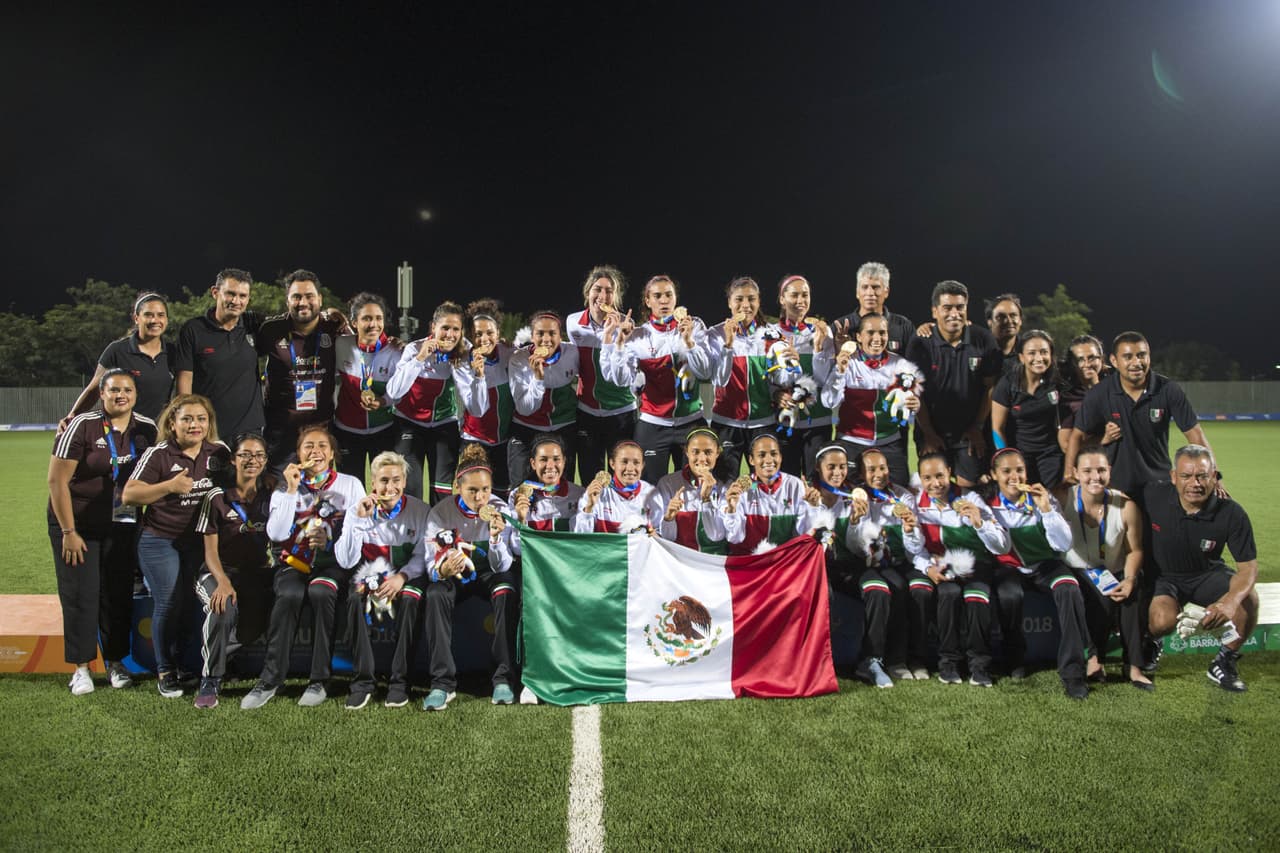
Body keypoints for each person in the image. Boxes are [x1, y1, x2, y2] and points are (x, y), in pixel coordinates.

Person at [240, 425, 366, 709]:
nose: (315, 451)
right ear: (298, 454)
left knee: (322, 594)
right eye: (308, 446)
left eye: (322, 446)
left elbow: (361, 528)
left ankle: (319, 679)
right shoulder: (286, 485)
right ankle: (271, 679)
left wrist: (331, 540)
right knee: (289, 596)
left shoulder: (350, 484)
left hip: (333, 563)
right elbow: (276, 533)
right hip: (294, 563)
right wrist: (291, 489)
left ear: (332, 454)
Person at [48, 369, 156, 695]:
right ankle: (80, 668)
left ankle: (115, 662)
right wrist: (68, 530)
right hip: (76, 524)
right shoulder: (83, 425)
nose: (120, 395)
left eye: (127, 390)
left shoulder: (147, 429)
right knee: (81, 594)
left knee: (117, 593)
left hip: (121, 525)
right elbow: (56, 482)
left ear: (135, 395)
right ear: (102, 394)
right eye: (113, 390)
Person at [123, 394, 228, 697]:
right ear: (172, 422)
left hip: (199, 541)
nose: (195, 425)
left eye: (201, 419)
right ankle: (165, 669)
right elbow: (130, 495)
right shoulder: (159, 454)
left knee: (192, 602)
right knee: (169, 600)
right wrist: (169, 486)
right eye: (187, 419)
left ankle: (186, 663)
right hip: (160, 539)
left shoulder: (219, 451)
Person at [1146, 445, 1259, 692]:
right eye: (1186, 476)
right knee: (1161, 620)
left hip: (1206, 574)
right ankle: (1152, 642)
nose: (1194, 483)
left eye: (1202, 476)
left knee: (1247, 599)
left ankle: (1224, 661)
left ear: (1214, 476)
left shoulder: (1232, 512)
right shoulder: (1153, 495)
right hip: (1165, 577)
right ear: (1174, 476)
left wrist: (1229, 602)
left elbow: (1248, 568)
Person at [985, 448, 1092, 699]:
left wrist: (1046, 509)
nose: (1015, 477)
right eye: (1006, 471)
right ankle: (1014, 659)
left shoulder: (1042, 496)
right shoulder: (989, 505)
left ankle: (1074, 673)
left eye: (1019, 470)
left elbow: (1063, 545)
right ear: (993, 475)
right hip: (1009, 568)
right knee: (1009, 595)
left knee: (1069, 588)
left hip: (1046, 565)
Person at [334, 451, 433, 710]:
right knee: (355, 598)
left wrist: (401, 577)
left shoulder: (420, 510)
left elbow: (424, 556)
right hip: (370, 576)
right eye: (384, 481)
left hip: (407, 575)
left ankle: (400, 682)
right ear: (373, 484)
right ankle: (362, 682)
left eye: (396, 480)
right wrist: (357, 519)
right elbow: (345, 560)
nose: (391, 487)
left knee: (412, 600)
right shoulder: (359, 509)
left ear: (404, 481)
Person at [420, 444, 516, 710]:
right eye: (472, 490)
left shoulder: (501, 510)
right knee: (436, 592)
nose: (480, 497)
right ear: (457, 487)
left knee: (506, 589)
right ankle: (442, 682)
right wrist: (442, 570)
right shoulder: (441, 513)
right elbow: (430, 564)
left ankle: (503, 678)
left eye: (485, 489)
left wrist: (496, 538)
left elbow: (502, 566)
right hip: (456, 574)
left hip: (488, 573)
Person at [1065, 332, 1215, 496]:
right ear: (1114, 361)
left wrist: (1215, 477)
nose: (1136, 362)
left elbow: (1196, 435)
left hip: (1159, 485)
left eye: (1141, 355)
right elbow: (1076, 436)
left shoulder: (1168, 389)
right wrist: (1069, 470)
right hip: (1115, 488)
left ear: (1149, 357)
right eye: (1128, 357)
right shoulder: (1099, 393)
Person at [191, 432, 276, 708]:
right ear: (233, 459)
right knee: (223, 605)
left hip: (254, 573)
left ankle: (220, 655)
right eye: (245, 455)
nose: (252, 460)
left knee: (259, 622)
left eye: (259, 455)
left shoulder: (271, 495)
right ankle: (211, 678)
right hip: (216, 572)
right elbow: (210, 552)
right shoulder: (217, 497)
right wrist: (223, 581)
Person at [600, 274, 712, 484]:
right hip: (652, 424)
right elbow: (622, 380)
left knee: (695, 489)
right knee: (649, 491)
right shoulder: (638, 335)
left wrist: (689, 342)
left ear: (676, 298)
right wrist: (620, 343)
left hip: (691, 422)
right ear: (647, 300)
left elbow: (705, 373)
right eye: (657, 296)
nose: (664, 301)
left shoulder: (694, 326)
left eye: (669, 295)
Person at [912, 452, 1010, 687]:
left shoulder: (972, 499)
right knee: (948, 594)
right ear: (921, 480)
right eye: (927, 478)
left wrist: (980, 522)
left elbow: (1001, 545)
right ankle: (948, 663)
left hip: (977, 565)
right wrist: (927, 568)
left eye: (940, 476)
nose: (935, 484)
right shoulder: (917, 505)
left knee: (976, 598)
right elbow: (914, 549)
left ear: (950, 474)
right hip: (944, 566)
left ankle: (980, 665)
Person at [1060, 445, 1151, 690]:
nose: (1095, 477)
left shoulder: (1125, 505)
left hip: (1114, 570)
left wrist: (1130, 579)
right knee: (1084, 591)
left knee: (1132, 592)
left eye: (1101, 470)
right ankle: (1093, 659)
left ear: (1109, 471)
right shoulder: (1063, 498)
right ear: (1076, 473)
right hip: (1077, 570)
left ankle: (1133, 666)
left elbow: (1135, 550)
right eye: (1087, 471)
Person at [907, 281, 1002, 488]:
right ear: (935, 311)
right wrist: (929, 434)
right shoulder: (920, 342)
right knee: (934, 489)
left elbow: (989, 387)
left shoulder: (983, 339)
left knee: (969, 491)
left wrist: (977, 426)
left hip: (968, 433)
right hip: (931, 432)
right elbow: (916, 393)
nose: (954, 313)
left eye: (960, 307)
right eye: (947, 308)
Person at [851, 447, 933, 682]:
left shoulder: (904, 497)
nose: (879, 473)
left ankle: (917, 657)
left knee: (922, 589)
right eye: (872, 469)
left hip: (904, 561)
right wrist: (859, 520)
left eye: (883, 467)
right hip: (872, 566)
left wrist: (910, 530)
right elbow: (859, 547)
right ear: (861, 474)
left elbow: (915, 548)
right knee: (896, 587)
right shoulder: (859, 499)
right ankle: (895, 660)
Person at [256, 269, 350, 470]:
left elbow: (363, 352)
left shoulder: (334, 328)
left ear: (320, 299)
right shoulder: (271, 330)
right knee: (279, 493)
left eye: (309, 296)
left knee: (318, 494)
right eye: (296, 296)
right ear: (287, 300)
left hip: (321, 431)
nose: (303, 302)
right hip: (279, 432)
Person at [819, 313, 922, 488]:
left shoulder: (900, 364)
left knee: (900, 495)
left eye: (882, 333)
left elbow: (910, 401)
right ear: (858, 337)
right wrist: (839, 371)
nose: (877, 338)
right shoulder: (848, 362)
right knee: (852, 497)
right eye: (871, 333)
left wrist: (915, 405)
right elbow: (828, 402)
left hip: (889, 441)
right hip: (851, 442)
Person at [385, 301, 465, 503]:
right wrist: (420, 358)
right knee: (411, 488)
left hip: (444, 424)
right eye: (445, 328)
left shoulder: (464, 351)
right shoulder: (414, 348)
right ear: (433, 328)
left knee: (442, 489)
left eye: (456, 329)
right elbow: (394, 392)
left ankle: (439, 533)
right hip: (409, 423)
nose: (450, 335)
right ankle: (412, 533)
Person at [567, 265, 638, 483]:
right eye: (598, 289)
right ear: (588, 291)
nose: (603, 296)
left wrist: (615, 338)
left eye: (609, 291)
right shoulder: (573, 323)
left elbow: (624, 375)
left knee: (623, 479)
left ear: (616, 296)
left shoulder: (626, 326)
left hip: (622, 413)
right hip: (587, 411)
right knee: (591, 480)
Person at [175, 269, 265, 441]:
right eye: (230, 294)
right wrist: (186, 421)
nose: (236, 301)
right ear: (215, 293)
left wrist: (326, 316)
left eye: (242, 296)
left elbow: (294, 322)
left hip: (250, 432)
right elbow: (185, 379)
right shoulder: (193, 329)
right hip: (208, 430)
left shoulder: (254, 325)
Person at [61, 292, 174, 428]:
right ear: (136, 318)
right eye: (148, 315)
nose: (155, 320)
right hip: (125, 434)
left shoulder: (174, 352)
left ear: (167, 319)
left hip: (159, 433)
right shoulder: (118, 350)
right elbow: (94, 389)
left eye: (160, 315)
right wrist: (71, 417)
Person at [707, 276, 777, 479]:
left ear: (759, 301)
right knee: (724, 485)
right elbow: (719, 380)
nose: (745, 305)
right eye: (739, 299)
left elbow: (777, 381)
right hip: (726, 423)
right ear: (729, 302)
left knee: (767, 485)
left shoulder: (771, 335)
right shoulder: (715, 334)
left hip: (763, 423)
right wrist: (728, 345)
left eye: (751, 299)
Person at [766, 274, 834, 478]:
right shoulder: (770, 333)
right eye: (794, 295)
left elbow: (824, 380)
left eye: (805, 295)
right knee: (788, 484)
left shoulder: (823, 332)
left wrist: (818, 349)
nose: (800, 301)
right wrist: (775, 395)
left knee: (818, 483)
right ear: (781, 299)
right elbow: (766, 375)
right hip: (785, 423)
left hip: (818, 422)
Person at [333, 292, 403, 484]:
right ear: (354, 322)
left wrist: (383, 401)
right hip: (346, 432)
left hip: (384, 431)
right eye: (367, 318)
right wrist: (330, 313)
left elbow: (401, 392)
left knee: (384, 490)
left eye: (378, 318)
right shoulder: (341, 345)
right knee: (349, 490)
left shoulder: (396, 351)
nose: (374, 324)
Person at [508, 310, 580, 488]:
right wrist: (538, 377)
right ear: (532, 336)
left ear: (560, 335)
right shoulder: (519, 359)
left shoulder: (572, 353)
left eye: (552, 333)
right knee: (521, 490)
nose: (546, 339)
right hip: (526, 428)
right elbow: (525, 408)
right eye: (540, 333)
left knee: (561, 489)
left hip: (564, 427)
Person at [990, 330, 1068, 488]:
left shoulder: (1058, 379)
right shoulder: (1008, 384)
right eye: (1032, 353)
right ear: (1022, 357)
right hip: (1020, 452)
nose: (1039, 358)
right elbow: (997, 427)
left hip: (1050, 451)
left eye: (1044, 352)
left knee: (1052, 495)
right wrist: (1006, 457)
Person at [454, 299, 516, 497]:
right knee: (475, 498)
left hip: (504, 442)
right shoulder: (461, 363)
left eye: (490, 332)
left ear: (498, 333)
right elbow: (478, 410)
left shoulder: (510, 354)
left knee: (503, 498)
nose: (484, 338)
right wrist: (479, 375)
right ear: (470, 336)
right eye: (478, 334)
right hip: (474, 440)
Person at [722, 433, 813, 555]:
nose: (769, 460)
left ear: (781, 457)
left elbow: (804, 534)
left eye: (774, 454)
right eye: (761, 455)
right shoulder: (741, 487)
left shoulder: (794, 485)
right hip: (748, 561)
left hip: (782, 561)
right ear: (751, 460)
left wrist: (812, 508)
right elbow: (735, 538)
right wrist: (732, 510)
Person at [654, 427, 729, 553]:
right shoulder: (668, 484)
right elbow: (667, 538)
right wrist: (669, 518)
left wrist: (706, 500)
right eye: (695, 452)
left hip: (714, 561)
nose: (702, 459)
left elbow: (716, 536)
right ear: (686, 452)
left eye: (708, 452)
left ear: (718, 453)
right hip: (680, 561)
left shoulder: (725, 487)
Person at [830, 262, 916, 357]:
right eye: (865, 287)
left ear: (886, 291)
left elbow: (914, 365)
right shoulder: (838, 328)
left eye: (876, 287)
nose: (870, 292)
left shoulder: (904, 326)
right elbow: (825, 367)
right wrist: (839, 351)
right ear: (857, 292)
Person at [573, 440, 662, 533]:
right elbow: (581, 538)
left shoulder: (651, 494)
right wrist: (589, 507)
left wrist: (654, 534)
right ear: (612, 463)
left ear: (642, 465)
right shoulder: (597, 493)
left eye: (636, 463)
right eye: (624, 462)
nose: (630, 468)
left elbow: (660, 535)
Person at [509, 434, 584, 542]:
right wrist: (521, 519)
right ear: (533, 463)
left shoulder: (580, 495)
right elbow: (518, 550)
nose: (550, 465)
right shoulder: (518, 496)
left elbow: (584, 543)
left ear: (564, 462)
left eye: (556, 459)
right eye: (543, 459)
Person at [1058, 334, 1107, 435]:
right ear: (1072, 363)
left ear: (1101, 359)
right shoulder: (1067, 397)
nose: (1087, 364)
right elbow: (1065, 443)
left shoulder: (1116, 386)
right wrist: (1103, 440)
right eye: (1080, 360)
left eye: (1092, 358)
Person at [984, 293, 1023, 376]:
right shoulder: (977, 350)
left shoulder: (1029, 352)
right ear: (989, 322)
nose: (1008, 321)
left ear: (1020, 320)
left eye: (1013, 315)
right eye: (1001, 317)